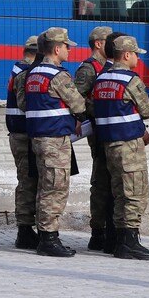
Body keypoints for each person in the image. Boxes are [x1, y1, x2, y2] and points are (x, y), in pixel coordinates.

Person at [22, 27, 87, 257]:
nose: (69, 50)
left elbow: (22, 103)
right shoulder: (58, 76)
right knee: (56, 188)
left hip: (38, 137)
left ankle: (45, 236)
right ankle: (49, 238)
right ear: (57, 49)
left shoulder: (32, 73)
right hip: (55, 139)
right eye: (67, 46)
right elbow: (79, 105)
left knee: (44, 186)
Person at [92, 35, 149, 261]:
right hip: (129, 144)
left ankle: (120, 240)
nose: (138, 58)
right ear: (126, 55)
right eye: (136, 54)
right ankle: (129, 242)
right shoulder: (131, 79)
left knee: (120, 192)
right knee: (135, 193)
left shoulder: (101, 79)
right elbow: (147, 109)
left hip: (109, 144)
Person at [73, 26, 113, 252]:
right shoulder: (89, 68)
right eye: (109, 41)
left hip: (109, 128)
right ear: (99, 44)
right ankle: (98, 230)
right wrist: (93, 109)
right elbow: (77, 97)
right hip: (97, 130)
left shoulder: (107, 66)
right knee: (100, 181)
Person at [6, 35, 40, 249]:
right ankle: (25, 230)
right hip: (23, 134)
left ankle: (26, 229)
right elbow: (25, 103)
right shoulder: (26, 72)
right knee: (28, 182)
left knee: (29, 181)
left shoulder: (19, 69)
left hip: (20, 132)